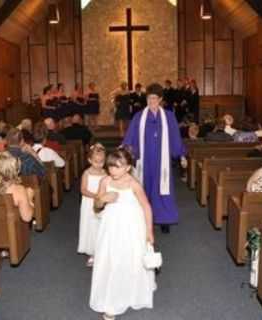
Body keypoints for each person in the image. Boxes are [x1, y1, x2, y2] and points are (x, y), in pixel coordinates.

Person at [90, 147, 155, 320]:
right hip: (111, 226)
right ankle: (111, 298)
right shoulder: (105, 181)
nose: (113, 170)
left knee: (128, 258)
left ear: (128, 167)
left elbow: (146, 207)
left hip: (132, 226)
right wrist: (103, 199)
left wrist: (149, 231)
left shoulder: (134, 184)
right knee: (111, 259)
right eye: (111, 166)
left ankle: (123, 296)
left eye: (118, 167)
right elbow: (96, 207)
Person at [123, 83, 187, 233]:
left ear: (160, 99)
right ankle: (143, 218)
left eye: (154, 99)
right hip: (144, 160)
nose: (151, 102)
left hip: (161, 161)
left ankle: (164, 219)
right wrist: (125, 150)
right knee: (144, 188)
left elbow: (175, 137)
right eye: (149, 99)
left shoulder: (169, 116)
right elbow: (131, 136)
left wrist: (181, 154)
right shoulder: (139, 117)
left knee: (162, 189)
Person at [78, 143, 106, 267]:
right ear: (90, 160)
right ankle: (92, 253)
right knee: (91, 226)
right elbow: (83, 190)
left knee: (101, 226)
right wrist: (95, 195)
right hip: (89, 203)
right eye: (96, 161)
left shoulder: (105, 173)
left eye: (102, 161)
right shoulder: (87, 173)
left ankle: (102, 251)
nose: (99, 164)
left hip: (101, 203)